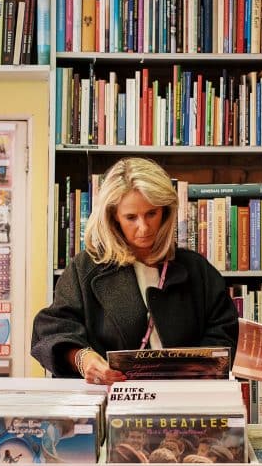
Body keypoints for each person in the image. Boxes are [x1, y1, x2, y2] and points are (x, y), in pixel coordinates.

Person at [31, 157, 239, 386]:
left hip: (185, 398)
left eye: (152, 213)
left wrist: (196, 372)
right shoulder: (86, 268)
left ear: (166, 212)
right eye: (131, 217)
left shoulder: (196, 269)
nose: (144, 227)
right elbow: (51, 330)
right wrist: (82, 359)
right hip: (110, 402)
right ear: (113, 218)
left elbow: (224, 333)